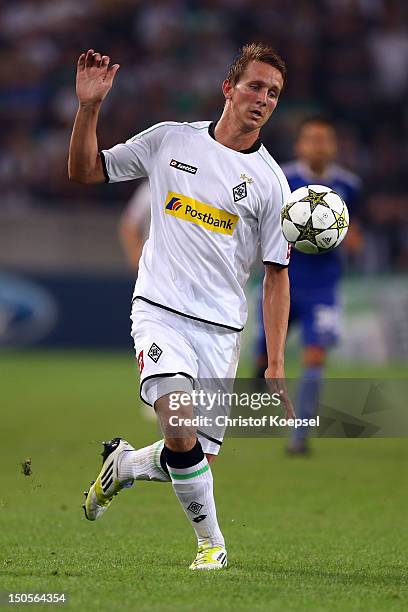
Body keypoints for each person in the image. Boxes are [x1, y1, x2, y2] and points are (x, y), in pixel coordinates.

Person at [68, 43, 294, 570]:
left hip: (220, 332)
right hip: (159, 310)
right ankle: (211, 545)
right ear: (228, 89)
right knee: (176, 418)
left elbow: (276, 277)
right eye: (255, 86)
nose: (263, 99)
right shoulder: (170, 140)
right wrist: (88, 108)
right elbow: (85, 172)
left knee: (190, 455)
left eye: (274, 93)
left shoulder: (271, 183)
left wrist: (276, 361)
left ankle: (122, 465)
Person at [255, 116, 362, 454]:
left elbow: (353, 231)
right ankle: (254, 410)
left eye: (324, 139)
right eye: (311, 139)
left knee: (315, 358)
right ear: (300, 145)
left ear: (333, 146)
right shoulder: (282, 179)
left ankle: (298, 438)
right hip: (283, 282)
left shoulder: (349, 186)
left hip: (323, 288)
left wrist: (342, 237)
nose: (318, 145)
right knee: (265, 355)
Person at [118, 179, 151, 274]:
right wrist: (136, 257)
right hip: (153, 265)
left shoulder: (193, 188)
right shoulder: (150, 189)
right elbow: (129, 225)